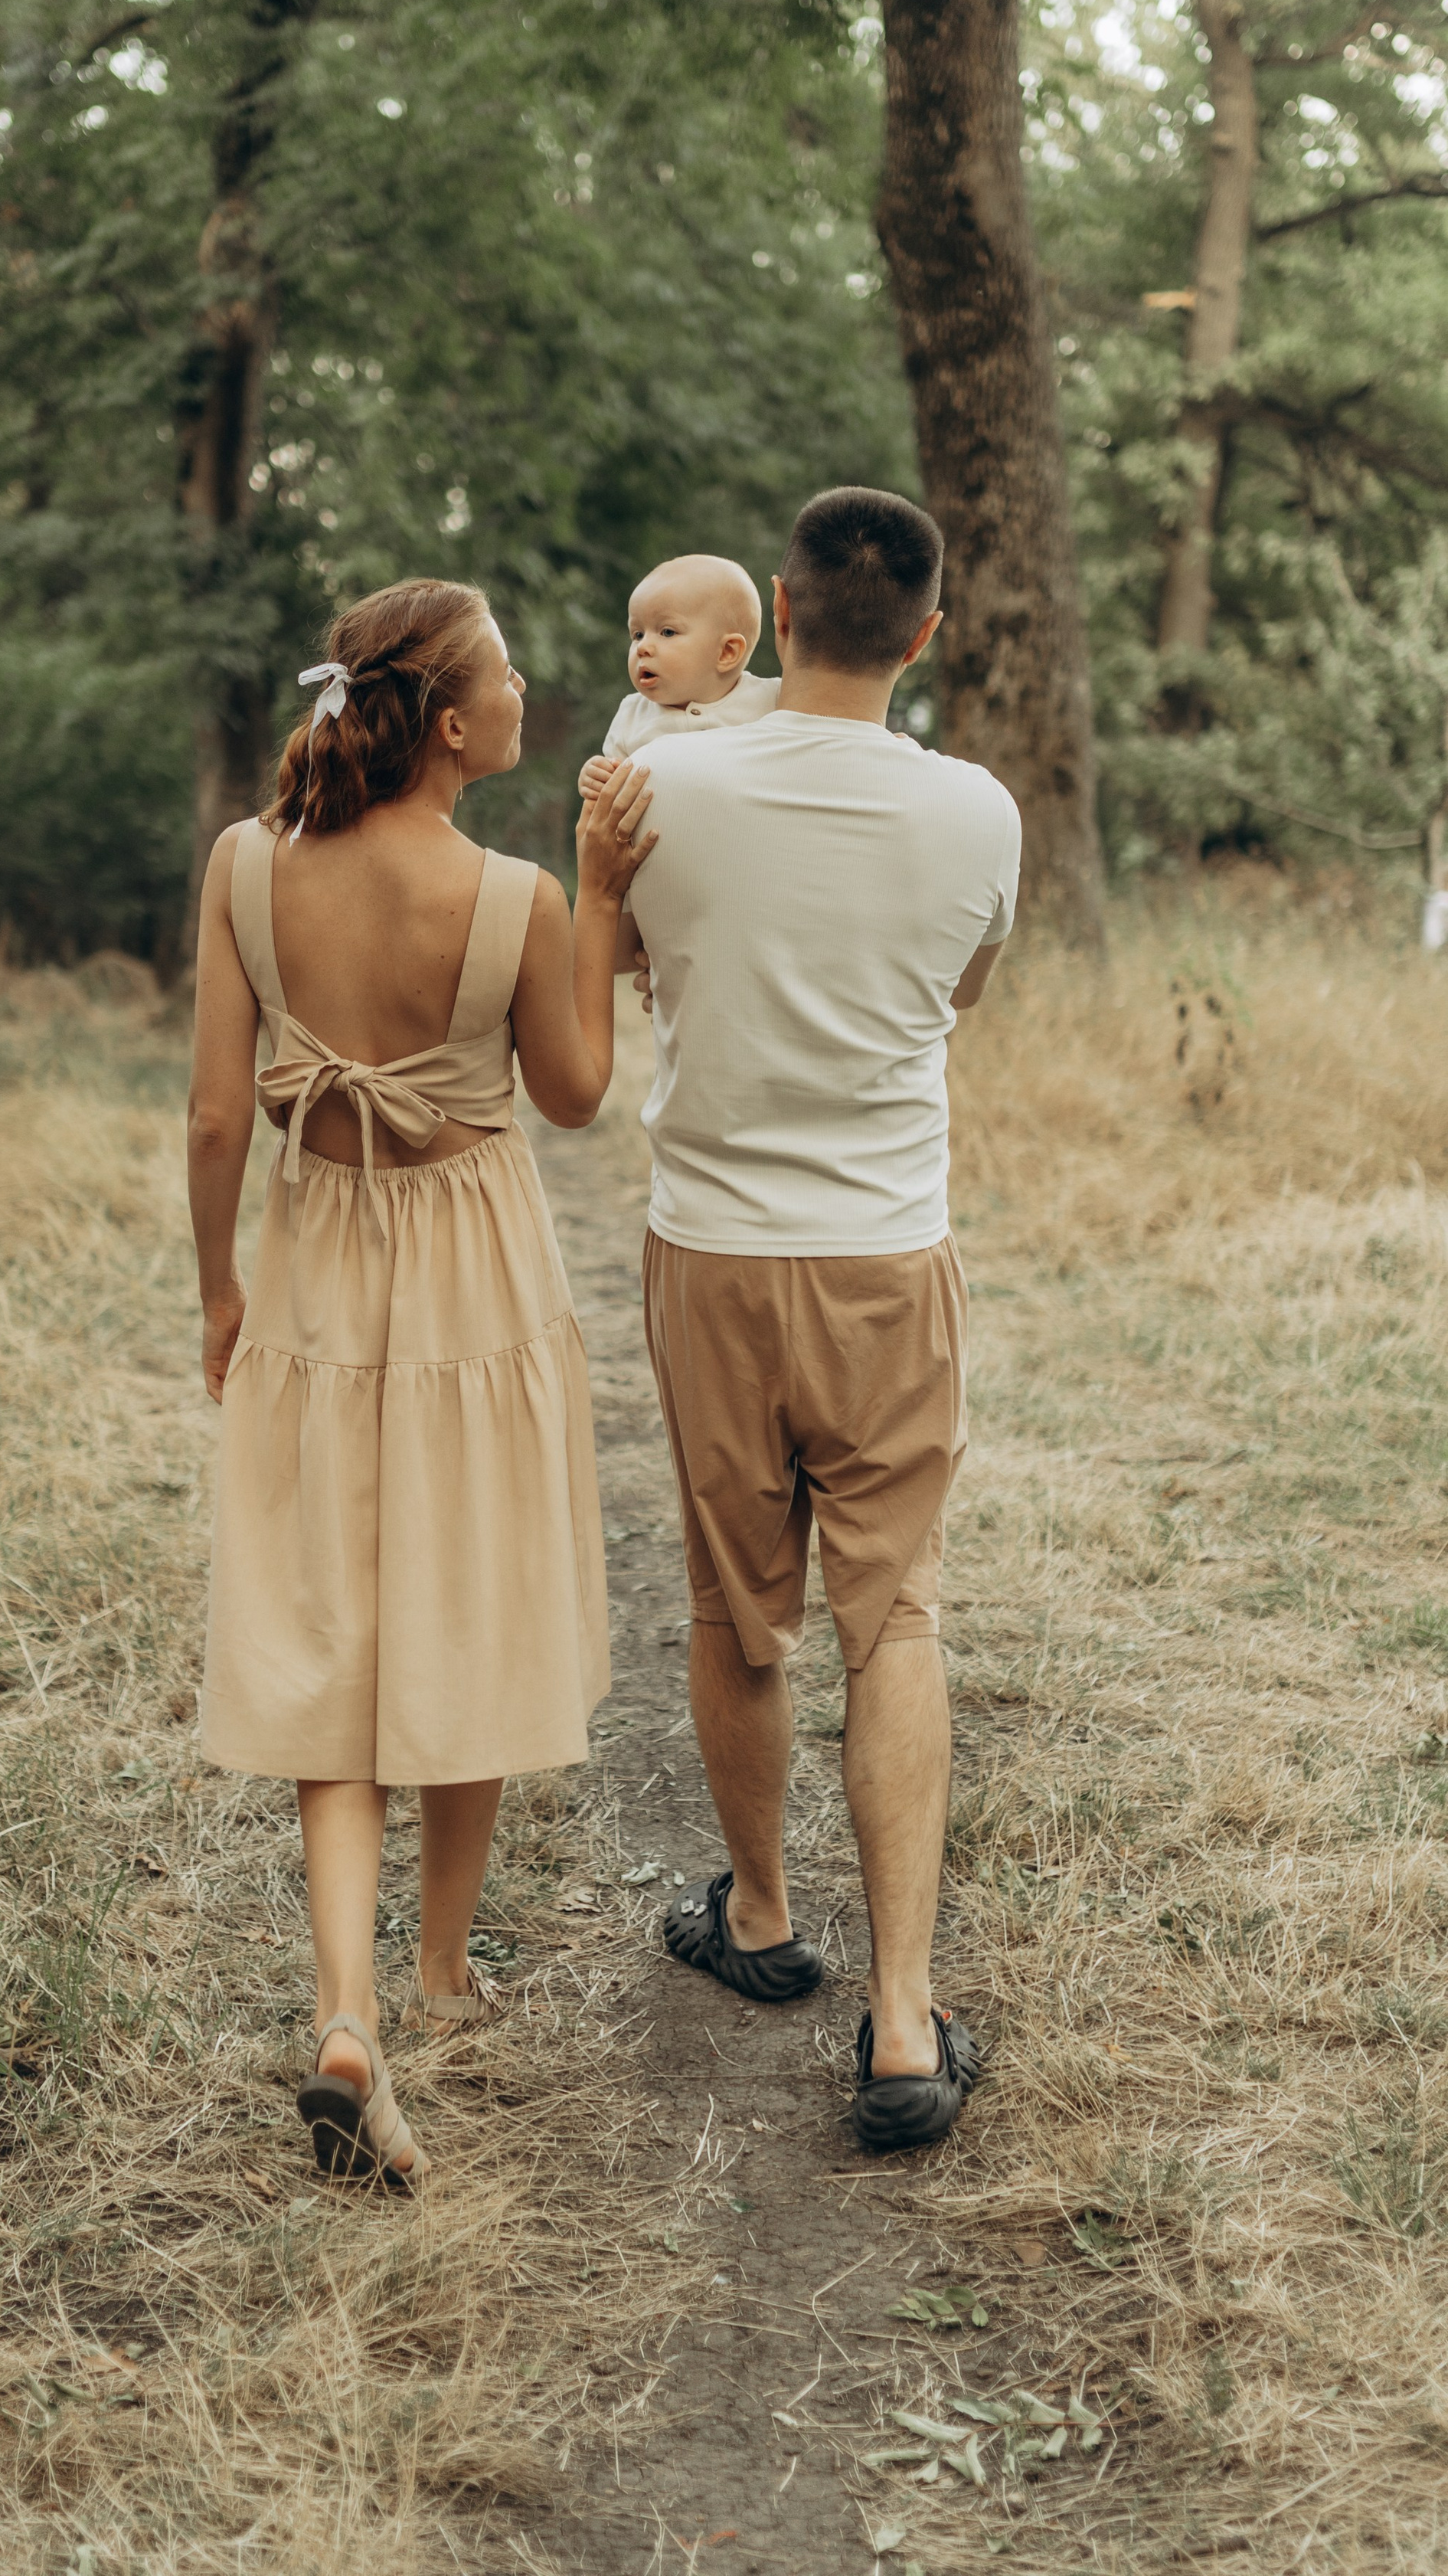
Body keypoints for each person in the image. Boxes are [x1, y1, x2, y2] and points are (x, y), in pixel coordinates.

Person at [186, 576, 655, 2188]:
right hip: (469, 1271)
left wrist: (218, 1286)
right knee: (463, 1607)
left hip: (315, 1259)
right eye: (510, 672)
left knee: (332, 1637)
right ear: (451, 722)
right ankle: (442, 1972)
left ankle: (349, 2007)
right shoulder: (516, 893)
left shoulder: (247, 868)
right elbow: (579, 1095)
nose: (531, 690)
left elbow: (208, 1121)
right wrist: (599, 894)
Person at [620, 487, 1019, 2152]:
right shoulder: (976, 811)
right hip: (881, 1255)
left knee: (734, 1604)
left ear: (775, 615)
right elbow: (961, 998)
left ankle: (766, 1923)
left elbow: (634, 971)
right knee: (893, 1618)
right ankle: (907, 2024)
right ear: (922, 634)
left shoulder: (654, 786)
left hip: (710, 1251)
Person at [577, 555, 779, 804]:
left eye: (667, 632)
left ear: (727, 652)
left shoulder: (772, 701)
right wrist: (595, 776)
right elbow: (610, 791)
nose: (643, 647)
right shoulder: (632, 715)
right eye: (637, 634)